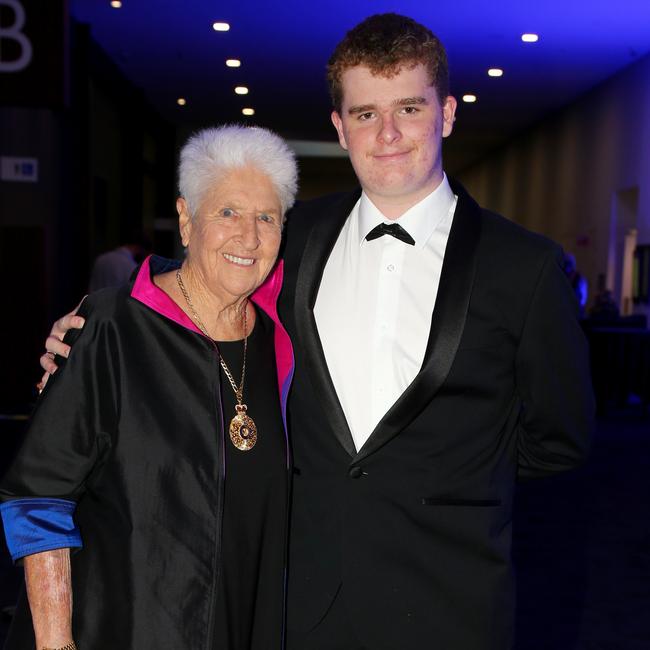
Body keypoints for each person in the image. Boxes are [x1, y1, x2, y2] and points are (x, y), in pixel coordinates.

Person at [38, 13, 594, 650]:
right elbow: (216, 270)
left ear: (446, 114)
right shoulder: (294, 237)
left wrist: (461, 476)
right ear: (339, 126)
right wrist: (105, 320)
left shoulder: (524, 266)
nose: (387, 134)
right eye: (364, 114)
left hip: (452, 601)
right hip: (298, 601)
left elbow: (561, 438)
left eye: (409, 108)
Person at [1, 125, 298, 650]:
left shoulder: (284, 341)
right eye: (227, 212)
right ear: (186, 220)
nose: (248, 236)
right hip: (121, 630)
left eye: (266, 217)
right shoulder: (113, 327)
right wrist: (55, 645)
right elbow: (38, 495)